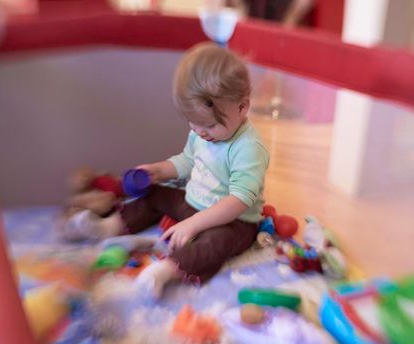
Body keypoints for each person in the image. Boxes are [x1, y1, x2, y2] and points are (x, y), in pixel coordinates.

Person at [69, 43, 270, 297]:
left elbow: (239, 201)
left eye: (207, 125)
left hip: (233, 222)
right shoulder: (202, 134)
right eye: (192, 123)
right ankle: (110, 225)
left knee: (216, 244)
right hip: (193, 204)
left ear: (242, 107)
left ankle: (168, 269)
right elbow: (187, 161)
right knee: (154, 193)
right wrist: (158, 171)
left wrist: (194, 225)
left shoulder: (249, 148)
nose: (199, 131)